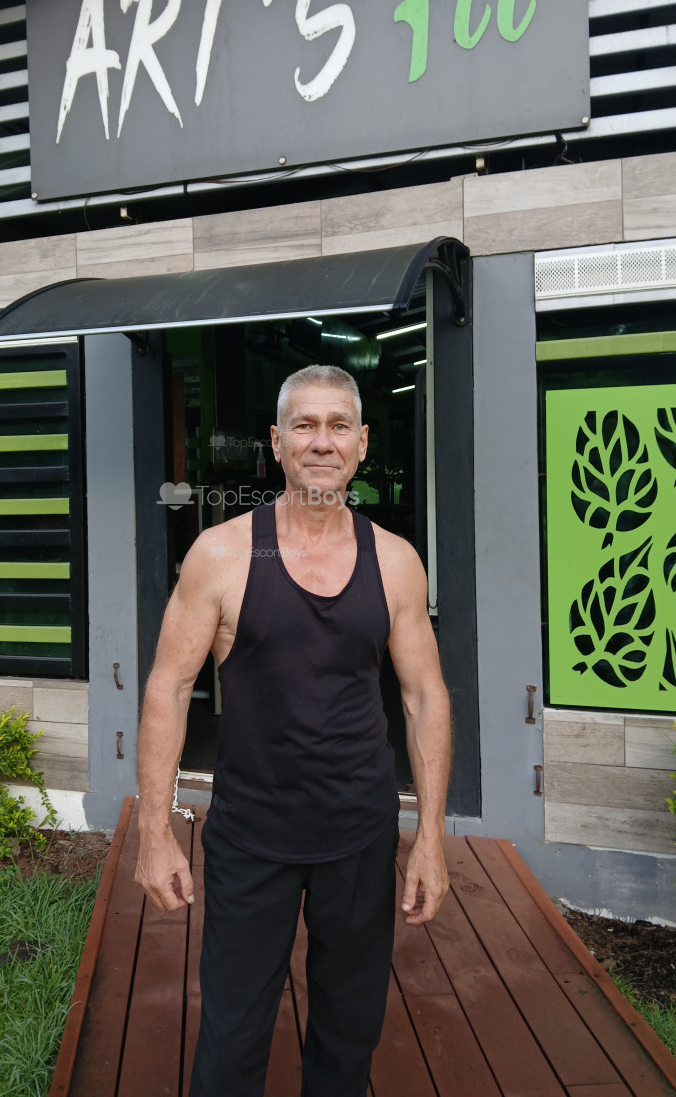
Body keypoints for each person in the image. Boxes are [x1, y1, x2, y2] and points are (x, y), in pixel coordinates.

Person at [135, 364, 452, 1097]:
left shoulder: (395, 561)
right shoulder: (222, 554)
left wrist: (431, 839)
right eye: (304, 425)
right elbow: (168, 687)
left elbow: (424, 696)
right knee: (232, 1034)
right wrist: (155, 833)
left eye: (338, 426)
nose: (321, 441)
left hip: (360, 833)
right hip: (251, 833)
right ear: (276, 443)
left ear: (362, 443)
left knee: (349, 1031)